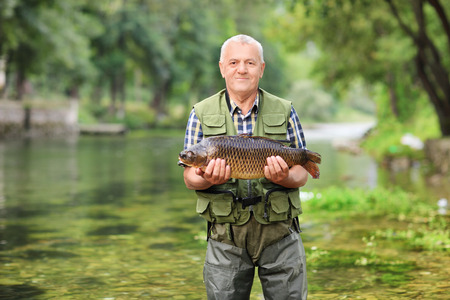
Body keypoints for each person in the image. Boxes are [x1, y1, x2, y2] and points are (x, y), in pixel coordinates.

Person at [182, 34, 309, 300]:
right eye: (234, 62)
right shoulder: (200, 113)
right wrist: (207, 179)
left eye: (250, 63)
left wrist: (285, 176)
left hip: (280, 233)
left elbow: (301, 174)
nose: (242, 69)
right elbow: (190, 178)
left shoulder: (286, 110)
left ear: (261, 69)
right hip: (225, 236)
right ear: (222, 68)